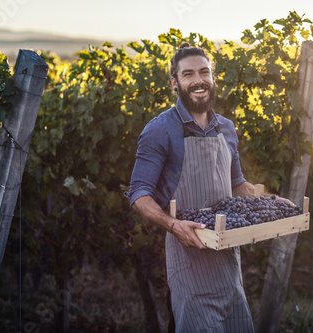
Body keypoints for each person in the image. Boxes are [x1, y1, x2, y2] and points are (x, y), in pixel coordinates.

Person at [126, 42, 294, 333]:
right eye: (188, 74)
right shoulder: (160, 130)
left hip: (228, 264)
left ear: (212, 78)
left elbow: (238, 185)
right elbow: (138, 194)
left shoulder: (227, 128)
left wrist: (275, 203)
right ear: (175, 83)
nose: (198, 80)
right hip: (189, 266)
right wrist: (174, 225)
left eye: (204, 72)